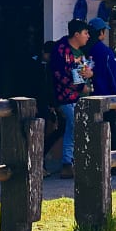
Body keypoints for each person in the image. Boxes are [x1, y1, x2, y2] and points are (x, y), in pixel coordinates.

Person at [50, 20, 94, 166]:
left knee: (74, 127)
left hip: (79, 98)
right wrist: (82, 88)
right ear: (76, 34)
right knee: (76, 125)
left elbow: (82, 73)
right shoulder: (61, 50)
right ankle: (69, 161)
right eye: (85, 33)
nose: (88, 36)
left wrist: (89, 74)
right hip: (66, 98)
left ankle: (70, 161)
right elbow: (59, 75)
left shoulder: (80, 53)